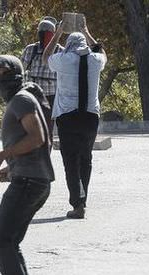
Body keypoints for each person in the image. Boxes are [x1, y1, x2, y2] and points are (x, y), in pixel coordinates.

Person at [0, 55, 54, 275]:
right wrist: (11, 167)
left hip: (29, 183)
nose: (0, 77)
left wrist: (2, 155)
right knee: (8, 242)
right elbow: (41, 143)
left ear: (17, 73)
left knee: (0, 241)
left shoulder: (21, 99)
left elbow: (37, 137)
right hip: (30, 179)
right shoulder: (22, 99)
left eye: (5, 71)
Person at [43, 19, 106, 219]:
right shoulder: (95, 60)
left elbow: (46, 57)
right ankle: (82, 199)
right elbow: (103, 53)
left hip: (67, 117)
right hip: (90, 117)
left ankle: (77, 203)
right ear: (85, 45)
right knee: (86, 159)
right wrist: (87, 31)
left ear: (68, 45)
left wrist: (59, 32)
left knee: (71, 160)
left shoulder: (63, 59)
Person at [21, 17, 64, 137]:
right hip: (33, 95)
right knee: (35, 128)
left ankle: (44, 154)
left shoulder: (60, 51)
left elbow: (20, 71)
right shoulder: (31, 49)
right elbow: (20, 70)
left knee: (46, 129)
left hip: (49, 97)